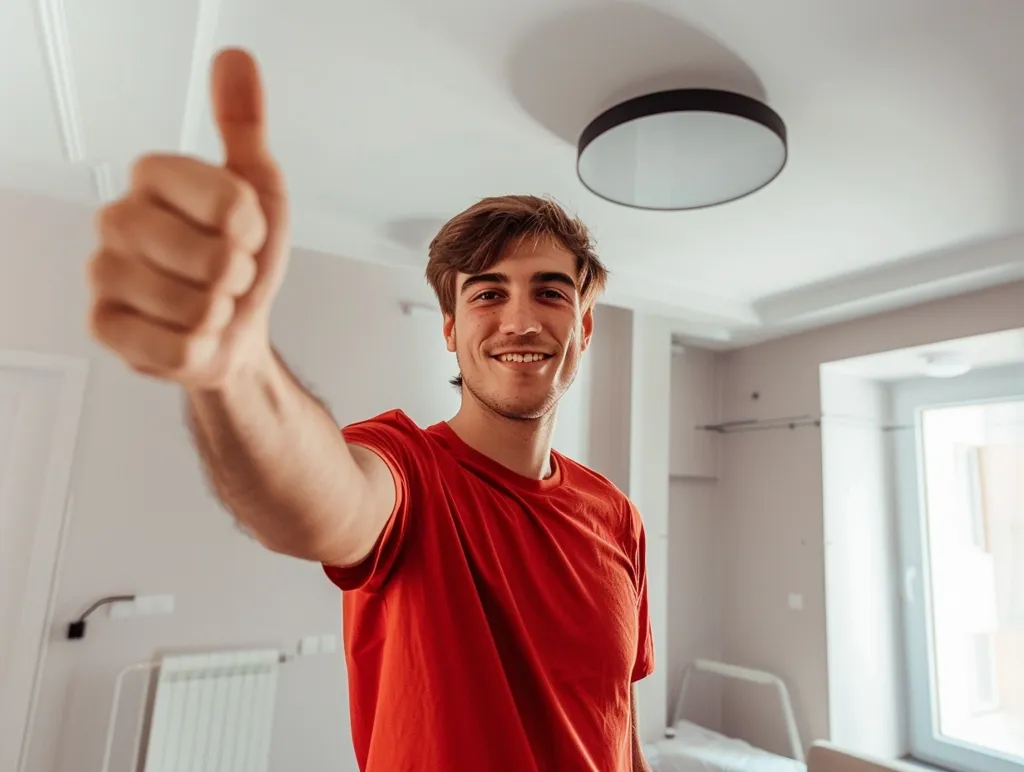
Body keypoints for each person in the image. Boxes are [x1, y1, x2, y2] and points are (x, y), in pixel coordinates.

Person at [86, 48, 653, 771]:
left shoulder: (618, 517)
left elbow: (618, 721)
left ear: (584, 326)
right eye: (486, 294)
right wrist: (235, 367)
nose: (520, 321)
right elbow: (320, 499)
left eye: (550, 292)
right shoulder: (408, 470)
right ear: (449, 328)